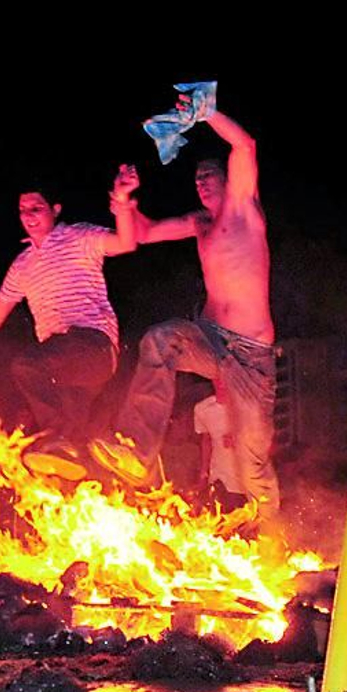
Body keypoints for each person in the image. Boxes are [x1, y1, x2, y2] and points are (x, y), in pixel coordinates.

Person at [90, 100, 280, 512]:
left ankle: (271, 538)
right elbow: (144, 234)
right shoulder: (200, 223)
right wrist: (124, 201)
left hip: (251, 357)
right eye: (196, 178)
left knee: (251, 462)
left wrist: (206, 112)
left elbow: (244, 145)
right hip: (211, 340)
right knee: (161, 339)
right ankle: (135, 449)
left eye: (209, 175)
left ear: (229, 180)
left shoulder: (245, 208)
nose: (202, 182)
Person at [0, 166, 140, 480]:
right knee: (76, 446)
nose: (29, 215)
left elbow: (126, 243)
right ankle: (118, 476)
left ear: (55, 210)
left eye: (36, 208)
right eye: (23, 210)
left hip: (92, 346)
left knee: (27, 366)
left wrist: (123, 199)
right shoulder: (22, 265)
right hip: (68, 369)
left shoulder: (79, 236)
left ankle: (60, 434)